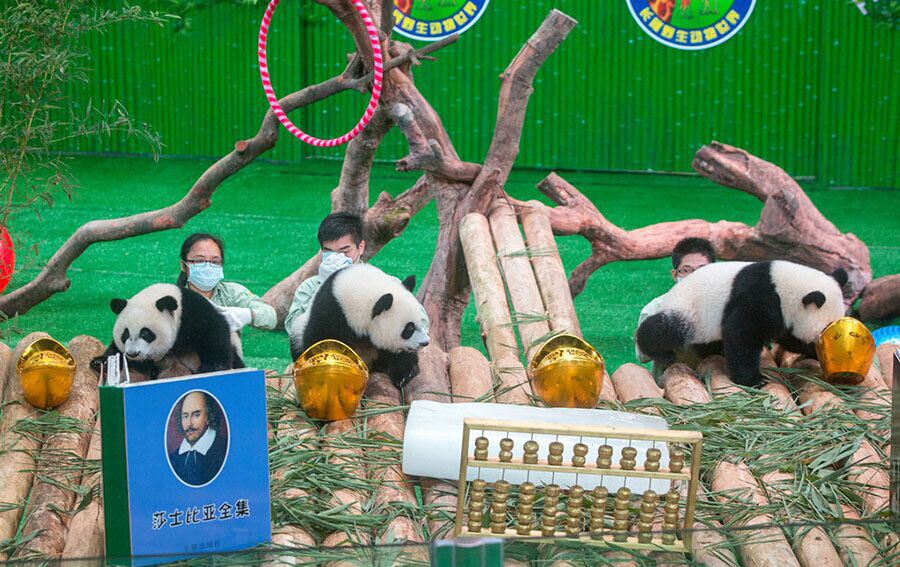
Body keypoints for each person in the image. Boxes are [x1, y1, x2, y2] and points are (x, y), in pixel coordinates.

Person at [283, 212, 429, 339]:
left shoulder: (383, 282)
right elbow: (293, 330)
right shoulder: (310, 287)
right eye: (328, 252)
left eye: (345, 251)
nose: (336, 257)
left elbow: (421, 323)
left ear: (361, 247)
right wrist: (324, 287)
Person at [635, 237, 717, 380]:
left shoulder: (725, 305)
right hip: (670, 387)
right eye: (686, 270)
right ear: (675, 274)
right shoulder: (656, 308)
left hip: (718, 386)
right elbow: (642, 355)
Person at [178, 233, 277, 332]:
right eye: (199, 261)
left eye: (215, 262)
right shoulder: (175, 298)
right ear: (183, 265)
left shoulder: (232, 293)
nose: (207, 267)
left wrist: (248, 315)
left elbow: (271, 317)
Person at [168, 391, 227, 486]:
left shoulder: (224, 449)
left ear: (209, 416)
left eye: (196, 415)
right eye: (185, 416)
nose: (189, 423)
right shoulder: (174, 458)